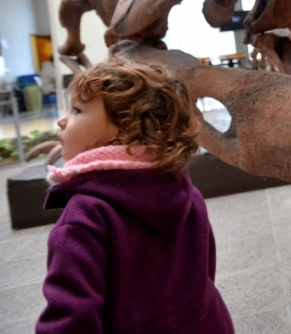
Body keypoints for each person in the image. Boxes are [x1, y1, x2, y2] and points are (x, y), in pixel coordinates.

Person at [36, 60, 234, 334]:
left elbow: (71, 319)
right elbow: (203, 274)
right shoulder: (184, 191)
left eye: (77, 110)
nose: (62, 119)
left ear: (123, 128)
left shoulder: (84, 218)